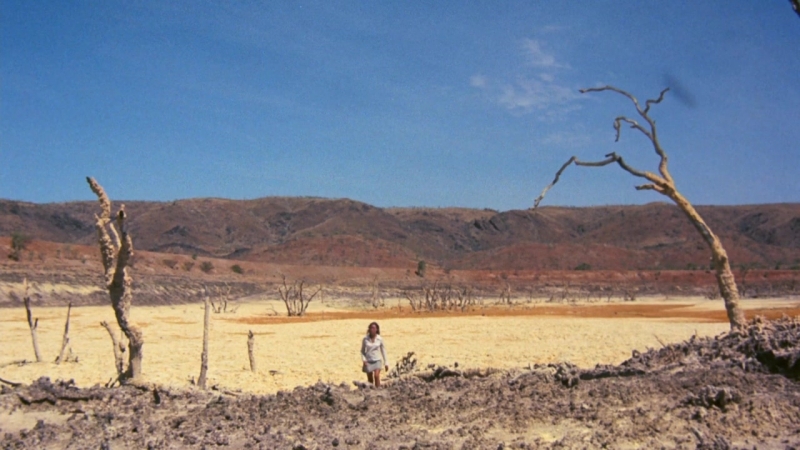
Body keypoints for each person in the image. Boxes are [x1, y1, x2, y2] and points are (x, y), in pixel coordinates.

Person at [360, 321, 389, 387]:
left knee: (376, 376)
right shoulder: (365, 339)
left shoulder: (379, 339)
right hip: (368, 361)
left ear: (377, 329)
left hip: (377, 360)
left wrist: (386, 363)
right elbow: (362, 351)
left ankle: (378, 390)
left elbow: (383, 351)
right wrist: (364, 360)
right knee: (370, 379)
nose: (372, 329)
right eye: (371, 328)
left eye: (374, 328)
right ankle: (371, 392)